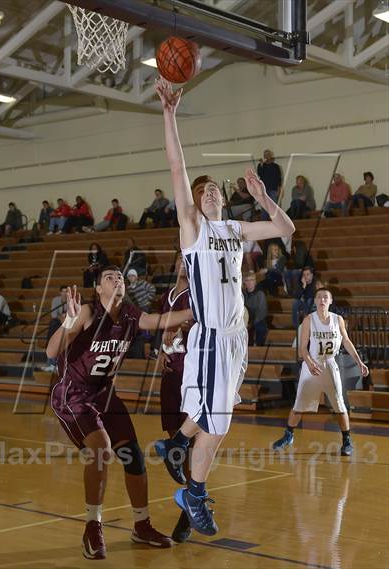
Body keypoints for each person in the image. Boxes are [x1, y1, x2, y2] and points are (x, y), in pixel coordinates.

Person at [153, 77, 295, 536]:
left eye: (216, 188)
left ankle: (174, 445)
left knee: (215, 416)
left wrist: (263, 198)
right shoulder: (192, 231)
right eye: (204, 190)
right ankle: (192, 491)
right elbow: (178, 170)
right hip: (213, 337)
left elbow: (285, 228)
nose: (211, 191)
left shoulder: (235, 227)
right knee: (220, 423)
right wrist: (170, 115)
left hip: (237, 339)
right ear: (194, 202)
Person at [47, 267, 193, 559]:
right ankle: (92, 526)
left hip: (103, 392)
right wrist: (69, 322)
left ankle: (141, 525)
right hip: (72, 394)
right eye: (110, 277)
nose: (118, 281)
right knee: (101, 449)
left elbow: (160, 320)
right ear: (98, 289)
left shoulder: (129, 314)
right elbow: (52, 352)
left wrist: (198, 309)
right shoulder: (87, 312)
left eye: (121, 278)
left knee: (133, 456)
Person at [272, 288, 369, 456]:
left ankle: (347, 440)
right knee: (299, 404)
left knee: (339, 404)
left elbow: (346, 341)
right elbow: (302, 348)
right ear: (315, 301)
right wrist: (309, 363)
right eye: (319, 297)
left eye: (325, 297)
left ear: (330, 301)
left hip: (330, 364)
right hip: (312, 364)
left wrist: (359, 361)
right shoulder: (309, 319)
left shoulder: (338, 320)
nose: (322, 300)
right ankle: (289, 435)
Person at [158, 253, 194, 542]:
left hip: (191, 373)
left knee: (190, 441)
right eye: (180, 260)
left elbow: (201, 322)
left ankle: (190, 509)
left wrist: (178, 328)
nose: (183, 264)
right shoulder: (166, 296)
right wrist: (160, 350)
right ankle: (189, 494)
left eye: (187, 260)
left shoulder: (196, 295)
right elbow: (162, 330)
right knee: (175, 439)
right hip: (170, 374)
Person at [41, 286, 68, 373]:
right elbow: (53, 314)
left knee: (58, 338)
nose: (65, 293)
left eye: (66, 291)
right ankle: (51, 364)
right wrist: (61, 318)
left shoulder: (71, 300)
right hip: (58, 323)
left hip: (68, 323)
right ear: (60, 293)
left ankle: (54, 364)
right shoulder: (55, 300)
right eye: (63, 292)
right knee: (53, 329)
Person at [242, 273, 268, 346]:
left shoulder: (260, 294)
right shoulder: (242, 295)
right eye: (247, 280)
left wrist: (251, 324)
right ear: (244, 282)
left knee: (260, 327)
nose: (249, 282)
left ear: (255, 282)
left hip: (257, 320)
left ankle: (259, 346)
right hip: (246, 320)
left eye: (251, 280)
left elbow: (262, 312)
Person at [257, 149, 282, 220]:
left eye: (268, 154)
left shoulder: (276, 166)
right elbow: (259, 174)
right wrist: (261, 165)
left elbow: (279, 178)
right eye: (265, 154)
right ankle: (264, 221)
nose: (266, 156)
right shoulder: (261, 165)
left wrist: (279, 189)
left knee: (274, 205)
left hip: (273, 189)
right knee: (264, 206)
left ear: (271, 155)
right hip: (264, 189)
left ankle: (276, 221)